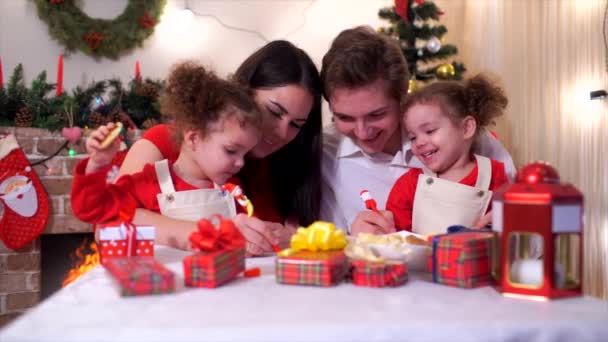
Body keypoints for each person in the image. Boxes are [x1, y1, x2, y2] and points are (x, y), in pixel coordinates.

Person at [114, 41, 323, 254]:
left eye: (296, 124)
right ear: (244, 95)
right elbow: (109, 222)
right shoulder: (165, 140)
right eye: (274, 112)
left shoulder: (285, 164)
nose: (282, 132)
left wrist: (294, 238)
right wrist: (212, 233)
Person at [319, 26, 516, 236]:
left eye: (376, 115)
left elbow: (533, 238)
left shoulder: (461, 134)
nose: (362, 132)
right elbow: (325, 246)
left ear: (403, 95)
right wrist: (351, 239)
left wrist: (508, 225)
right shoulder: (324, 152)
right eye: (345, 118)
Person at [71, 62, 264, 250]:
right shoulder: (147, 183)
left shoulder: (232, 189)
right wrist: (97, 165)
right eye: (231, 150)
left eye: (245, 154)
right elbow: (93, 210)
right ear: (194, 138)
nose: (240, 162)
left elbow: (244, 240)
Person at [386, 74, 510, 235]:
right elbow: (397, 241)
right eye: (412, 137)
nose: (419, 142)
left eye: (430, 131)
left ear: (466, 128)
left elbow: (512, 232)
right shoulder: (408, 186)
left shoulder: (495, 175)